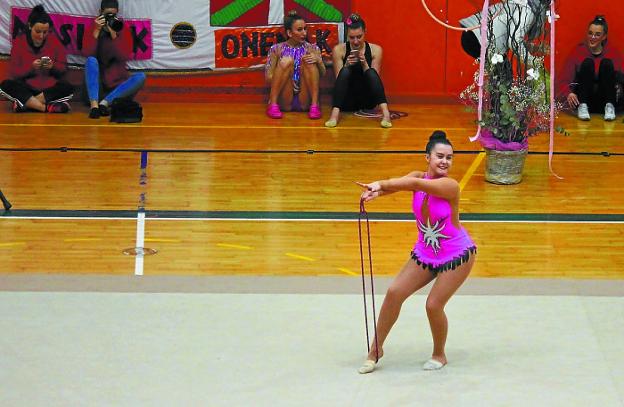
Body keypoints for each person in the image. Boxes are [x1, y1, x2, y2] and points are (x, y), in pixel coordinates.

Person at [356, 131, 477, 374]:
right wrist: (377, 192)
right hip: (426, 252)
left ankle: (439, 354)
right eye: (440, 156)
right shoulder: (416, 176)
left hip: (456, 255)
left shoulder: (449, 186)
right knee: (394, 292)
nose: (445, 162)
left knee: (433, 305)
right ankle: (376, 349)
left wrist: (380, 183)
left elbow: (414, 185)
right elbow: (404, 184)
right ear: (428, 157)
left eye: (450, 158)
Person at [0, 4, 72, 113]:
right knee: (6, 85)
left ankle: (26, 104)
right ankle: (45, 107)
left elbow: (63, 69)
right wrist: (31, 68)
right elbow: (14, 73)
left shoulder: (54, 42)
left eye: (45, 32)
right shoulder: (19, 43)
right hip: (27, 88)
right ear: (30, 26)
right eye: (37, 31)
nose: (41, 36)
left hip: (47, 89)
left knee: (68, 87)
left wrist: (53, 67)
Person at [325, 13, 391, 128]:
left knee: (370, 72)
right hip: (346, 100)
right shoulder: (339, 50)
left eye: (359, 37)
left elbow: (375, 81)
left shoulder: (376, 50)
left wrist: (365, 64)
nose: (356, 41)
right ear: (347, 36)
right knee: (344, 71)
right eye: (352, 37)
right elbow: (338, 80)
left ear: (365, 32)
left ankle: (386, 114)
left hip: (367, 100)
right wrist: (346, 65)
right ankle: (334, 115)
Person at [83, 0, 146, 119]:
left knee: (141, 77)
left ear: (118, 14)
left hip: (117, 89)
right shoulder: (93, 28)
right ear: (100, 13)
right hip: (96, 89)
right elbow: (87, 53)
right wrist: (96, 31)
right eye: (107, 15)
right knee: (91, 60)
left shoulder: (122, 29)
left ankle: (104, 103)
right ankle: (95, 107)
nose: (110, 18)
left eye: (114, 15)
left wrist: (114, 36)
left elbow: (123, 56)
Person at [558, 15, 622, 122]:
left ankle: (610, 106)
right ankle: (583, 106)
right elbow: (562, 80)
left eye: (597, 35)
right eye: (590, 33)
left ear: (604, 36)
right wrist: (568, 93)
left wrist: (620, 87)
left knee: (607, 63)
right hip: (584, 102)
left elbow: (621, 77)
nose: (592, 37)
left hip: (605, 102)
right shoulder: (578, 51)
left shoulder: (612, 53)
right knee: (587, 63)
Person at [265, 11, 325, 120]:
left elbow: (323, 74)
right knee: (286, 61)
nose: (304, 33)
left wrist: (318, 61)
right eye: (299, 30)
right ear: (289, 33)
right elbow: (268, 77)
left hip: (305, 98)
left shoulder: (313, 48)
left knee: (308, 60)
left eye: (305, 29)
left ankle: (315, 105)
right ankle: (273, 105)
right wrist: (286, 74)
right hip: (285, 97)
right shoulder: (276, 49)